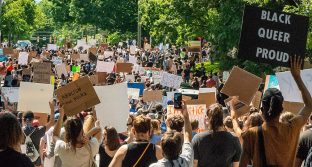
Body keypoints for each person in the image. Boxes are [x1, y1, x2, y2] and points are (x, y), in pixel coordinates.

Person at [239, 56, 312, 167]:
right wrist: (297, 77)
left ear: (261, 110)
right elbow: (309, 105)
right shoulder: (292, 128)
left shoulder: (251, 134)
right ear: (282, 110)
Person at [150, 102, 194, 167]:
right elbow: (188, 136)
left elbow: (187, 136)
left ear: (161, 148)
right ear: (180, 148)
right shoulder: (186, 161)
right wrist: (185, 115)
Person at [22, 101, 55, 167]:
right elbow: (51, 122)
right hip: (36, 161)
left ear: (23, 120)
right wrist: (52, 109)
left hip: (24, 160)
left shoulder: (19, 131)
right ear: (33, 119)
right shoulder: (38, 130)